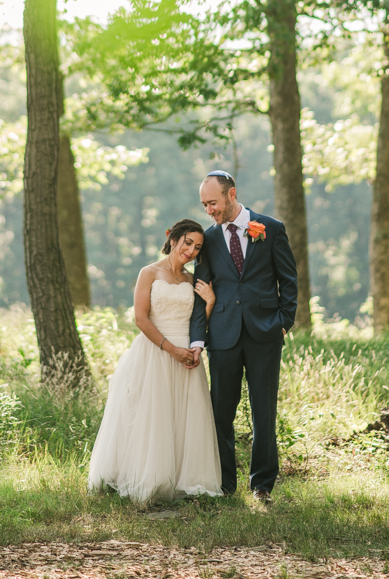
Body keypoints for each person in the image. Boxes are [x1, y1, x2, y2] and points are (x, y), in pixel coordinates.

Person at [88, 218, 222, 504]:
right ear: (172, 238)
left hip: (187, 354)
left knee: (185, 416)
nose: (192, 251)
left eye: (198, 247)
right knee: (153, 414)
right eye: (188, 243)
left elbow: (196, 322)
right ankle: (150, 476)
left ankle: (185, 478)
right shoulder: (148, 273)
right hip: (155, 350)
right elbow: (140, 318)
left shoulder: (191, 279)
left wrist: (209, 304)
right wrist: (170, 349)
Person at [190, 171, 297, 502]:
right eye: (204, 205)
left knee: (263, 411)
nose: (209, 210)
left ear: (231, 194)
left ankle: (262, 484)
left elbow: (288, 280)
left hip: (265, 332)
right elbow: (199, 291)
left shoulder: (272, 229)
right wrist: (197, 338)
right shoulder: (208, 240)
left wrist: (283, 322)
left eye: (213, 203)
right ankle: (225, 484)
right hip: (222, 336)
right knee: (221, 412)